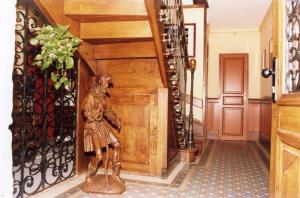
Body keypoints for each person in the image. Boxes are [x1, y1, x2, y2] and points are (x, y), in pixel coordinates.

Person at [81, 73, 123, 184]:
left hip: (103, 125)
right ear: (101, 82)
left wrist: (115, 120)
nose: (107, 86)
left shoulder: (104, 97)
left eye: (108, 84)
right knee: (99, 156)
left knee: (117, 144)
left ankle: (115, 174)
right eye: (106, 84)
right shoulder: (91, 95)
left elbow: (107, 112)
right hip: (93, 127)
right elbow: (85, 110)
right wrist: (90, 116)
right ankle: (90, 174)